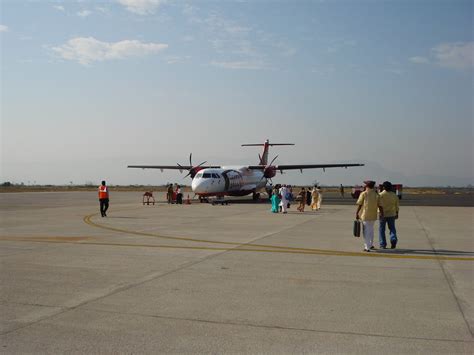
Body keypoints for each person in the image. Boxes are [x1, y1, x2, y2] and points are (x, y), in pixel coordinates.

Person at [356, 180, 383, 252]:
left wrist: (357, 213)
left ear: (367, 186)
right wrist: (381, 213)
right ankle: (370, 245)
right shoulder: (376, 194)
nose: (364, 186)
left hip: (365, 215)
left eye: (365, 185)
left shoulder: (364, 193)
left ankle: (367, 247)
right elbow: (380, 205)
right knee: (371, 230)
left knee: (366, 231)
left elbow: (360, 204)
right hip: (373, 215)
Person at [378, 181, 400, 249]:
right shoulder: (394, 195)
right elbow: (397, 206)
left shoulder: (380, 195)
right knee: (392, 228)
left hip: (382, 214)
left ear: (383, 187)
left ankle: (383, 244)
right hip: (391, 214)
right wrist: (397, 213)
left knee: (382, 229)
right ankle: (393, 238)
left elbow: (378, 205)